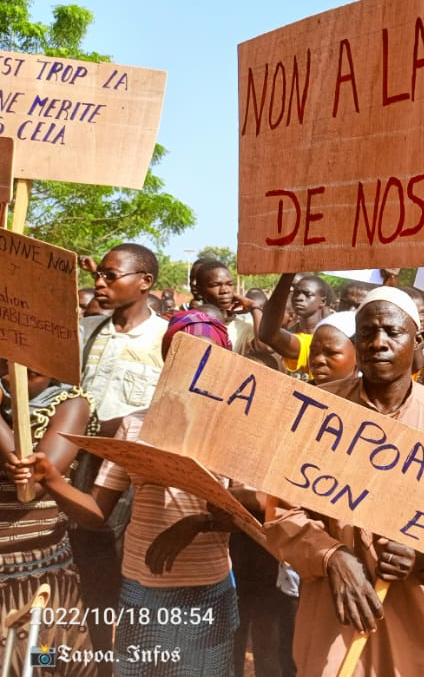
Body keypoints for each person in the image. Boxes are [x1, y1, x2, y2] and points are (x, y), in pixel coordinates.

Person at [8, 312, 243, 676]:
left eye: (208, 358)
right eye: (184, 356)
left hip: (206, 588)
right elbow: (97, 512)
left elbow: (258, 514)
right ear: (169, 360)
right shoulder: (136, 425)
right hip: (140, 587)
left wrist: (199, 522)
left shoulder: (238, 432)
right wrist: (52, 479)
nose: (195, 368)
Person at [262, 286, 424, 676]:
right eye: (367, 333)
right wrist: (332, 556)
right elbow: (281, 513)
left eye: (391, 332)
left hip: (419, 621)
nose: (378, 343)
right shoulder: (317, 409)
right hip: (333, 618)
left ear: (417, 340)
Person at [75, 242, 168, 662]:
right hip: (81, 467)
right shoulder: (87, 331)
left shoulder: (168, 338)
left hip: (133, 480)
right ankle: (99, 661)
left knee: (129, 582)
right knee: (90, 577)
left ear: (145, 282)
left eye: (111, 275)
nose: (100, 282)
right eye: (99, 275)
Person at [1, 362, 99, 676]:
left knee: (40, 662)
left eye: (34, 373)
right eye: (5, 367)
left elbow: (30, 480)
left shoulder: (70, 404)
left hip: (36, 573)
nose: (15, 377)